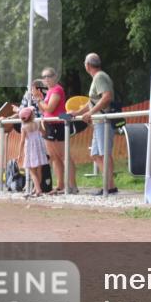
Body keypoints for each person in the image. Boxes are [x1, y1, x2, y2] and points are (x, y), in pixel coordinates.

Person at [76, 53, 117, 195]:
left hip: (103, 121)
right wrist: (77, 113)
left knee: (105, 154)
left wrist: (90, 113)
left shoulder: (99, 77)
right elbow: (92, 102)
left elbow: (106, 97)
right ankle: (108, 184)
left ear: (87, 65)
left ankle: (110, 186)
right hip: (98, 121)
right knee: (95, 154)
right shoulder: (98, 78)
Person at [34, 67, 78, 194]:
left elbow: (50, 108)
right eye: (44, 76)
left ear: (55, 77)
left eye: (48, 76)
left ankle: (72, 186)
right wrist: (39, 101)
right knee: (54, 157)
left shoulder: (57, 89)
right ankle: (60, 186)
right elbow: (44, 110)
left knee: (64, 156)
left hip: (57, 125)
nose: (46, 79)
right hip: (50, 125)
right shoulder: (50, 91)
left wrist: (39, 100)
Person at [17, 106, 49, 197]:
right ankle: (37, 188)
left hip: (30, 149)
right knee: (39, 170)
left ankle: (38, 190)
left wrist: (20, 153)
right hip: (39, 148)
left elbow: (22, 140)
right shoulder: (37, 123)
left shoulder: (24, 127)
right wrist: (43, 124)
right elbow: (43, 133)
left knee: (32, 171)